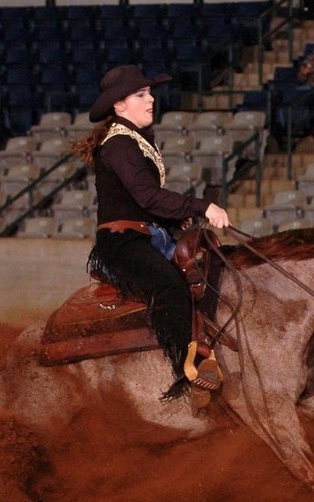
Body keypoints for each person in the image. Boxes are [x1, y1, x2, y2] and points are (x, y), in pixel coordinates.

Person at [71, 65, 231, 401]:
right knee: (171, 287)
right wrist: (202, 207)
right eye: (141, 95)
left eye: (149, 92)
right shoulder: (119, 144)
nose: (151, 99)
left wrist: (175, 222)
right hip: (123, 243)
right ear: (119, 105)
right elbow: (146, 195)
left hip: (147, 236)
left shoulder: (134, 139)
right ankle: (188, 372)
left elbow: (140, 201)